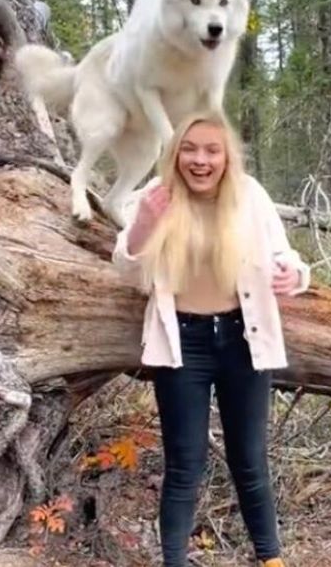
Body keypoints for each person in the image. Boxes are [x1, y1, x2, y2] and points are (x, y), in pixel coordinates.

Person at [113, 111, 309, 567]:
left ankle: (270, 559)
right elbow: (125, 270)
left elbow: (287, 256)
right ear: (175, 152)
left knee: (250, 460)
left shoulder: (249, 196)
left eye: (211, 150)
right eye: (190, 148)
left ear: (227, 157)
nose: (200, 160)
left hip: (243, 338)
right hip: (182, 344)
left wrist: (294, 274)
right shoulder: (154, 198)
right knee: (185, 464)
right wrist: (143, 222)